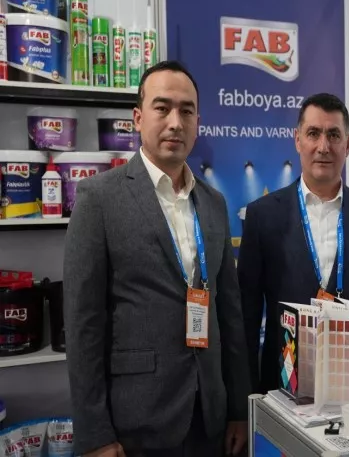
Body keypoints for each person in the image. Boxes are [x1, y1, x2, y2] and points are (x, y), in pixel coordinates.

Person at [63, 61, 250, 457]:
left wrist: (238, 409)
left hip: (210, 416)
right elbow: (83, 325)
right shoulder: (99, 198)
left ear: (198, 122)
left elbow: (230, 315)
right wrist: (94, 434)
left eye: (186, 111)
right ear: (138, 118)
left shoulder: (214, 203)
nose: (175, 122)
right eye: (162, 108)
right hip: (136, 422)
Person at [238, 93, 349, 394]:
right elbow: (246, 317)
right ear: (297, 140)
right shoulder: (262, 215)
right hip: (281, 388)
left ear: (348, 144)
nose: (323, 146)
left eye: (334, 135)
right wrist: (246, 399)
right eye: (313, 133)